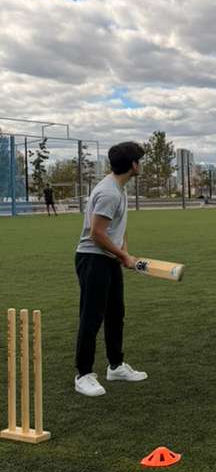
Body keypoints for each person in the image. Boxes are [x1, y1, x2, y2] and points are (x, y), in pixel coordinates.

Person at [73, 141, 148, 397]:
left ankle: (116, 366)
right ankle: (83, 374)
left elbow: (118, 227)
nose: (141, 164)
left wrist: (123, 254)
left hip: (108, 257)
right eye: (140, 160)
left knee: (116, 313)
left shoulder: (119, 187)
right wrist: (122, 255)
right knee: (91, 317)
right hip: (93, 259)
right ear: (134, 165)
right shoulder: (109, 193)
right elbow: (96, 233)